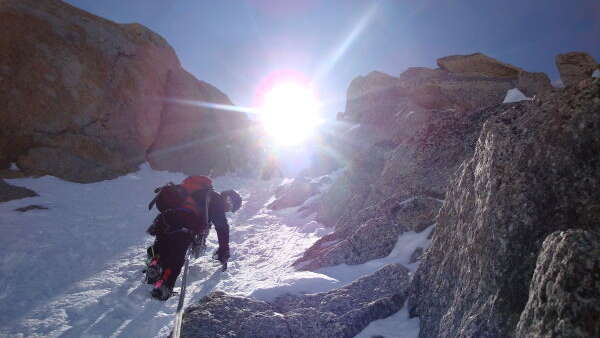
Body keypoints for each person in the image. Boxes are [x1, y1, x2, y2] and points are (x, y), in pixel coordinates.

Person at [146, 180, 242, 301]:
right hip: (184, 223)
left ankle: (155, 264)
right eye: (231, 205)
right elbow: (222, 228)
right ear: (228, 199)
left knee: (163, 246)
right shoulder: (216, 200)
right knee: (177, 256)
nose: (228, 209)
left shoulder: (200, 193)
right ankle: (163, 287)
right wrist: (224, 251)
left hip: (165, 218)